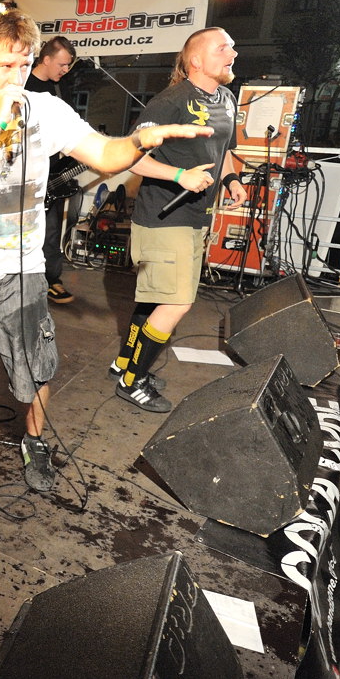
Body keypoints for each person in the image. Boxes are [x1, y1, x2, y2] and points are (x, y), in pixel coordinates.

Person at [0, 10, 215, 540]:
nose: (16, 77)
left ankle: (35, 443)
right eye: (5, 65)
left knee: (36, 374)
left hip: (22, 273)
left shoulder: (46, 109)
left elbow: (105, 154)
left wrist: (142, 140)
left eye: (24, 66)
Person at [109, 27, 247, 413]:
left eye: (232, 46)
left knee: (156, 296)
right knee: (177, 303)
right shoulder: (171, 101)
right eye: (223, 47)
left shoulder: (226, 99)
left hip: (196, 216)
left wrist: (231, 180)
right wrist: (179, 176)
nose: (233, 53)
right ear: (196, 60)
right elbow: (131, 156)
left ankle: (125, 363)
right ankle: (133, 381)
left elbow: (224, 151)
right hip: (164, 216)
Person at [24, 35, 80, 305]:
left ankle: (51, 280)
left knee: (52, 229)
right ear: (45, 59)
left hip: (53, 172)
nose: (65, 70)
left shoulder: (60, 88)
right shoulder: (24, 85)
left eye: (68, 65)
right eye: (62, 64)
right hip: (26, 171)